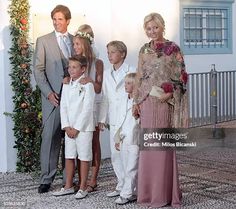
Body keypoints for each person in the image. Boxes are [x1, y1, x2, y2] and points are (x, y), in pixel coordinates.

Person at [133, 13, 188, 207]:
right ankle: (147, 194)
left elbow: (182, 76)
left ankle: (165, 194)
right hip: (147, 102)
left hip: (164, 102)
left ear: (162, 27)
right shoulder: (143, 50)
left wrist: (171, 93)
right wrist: (135, 102)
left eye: (155, 27)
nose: (152, 31)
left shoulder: (173, 49)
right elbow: (139, 76)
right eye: (148, 28)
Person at [33, 4, 74, 193]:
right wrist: (48, 93)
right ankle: (46, 179)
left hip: (73, 98)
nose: (56, 22)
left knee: (71, 138)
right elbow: (38, 70)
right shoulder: (43, 41)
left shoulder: (76, 41)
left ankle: (68, 178)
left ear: (67, 21)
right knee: (50, 137)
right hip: (54, 98)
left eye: (60, 19)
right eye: (54, 19)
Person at [66, 25, 104, 192]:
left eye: (78, 44)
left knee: (93, 143)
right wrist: (67, 79)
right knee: (79, 145)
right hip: (76, 109)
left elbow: (98, 88)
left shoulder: (97, 63)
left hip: (92, 106)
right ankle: (79, 180)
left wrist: (90, 80)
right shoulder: (74, 63)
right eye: (74, 44)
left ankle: (92, 180)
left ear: (87, 44)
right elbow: (71, 83)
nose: (75, 47)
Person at [52, 55, 95, 199]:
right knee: (69, 155)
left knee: (84, 156)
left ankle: (83, 187)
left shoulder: (88, 85)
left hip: (83, 128)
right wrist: (66, 126)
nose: (71, 70)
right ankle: (68, 185)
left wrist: (76, 127)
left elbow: (87, 108)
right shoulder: (66, 84)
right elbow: (63, 106)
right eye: (69, 67)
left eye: (74, 67)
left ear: (83, 69)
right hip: (69, 127)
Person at [98, 40, 136, 197]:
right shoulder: (107, 74)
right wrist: (102, 119)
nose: (110, 55)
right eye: (108, 52)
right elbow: (105, 98)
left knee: (128, 154)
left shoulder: (132, 70)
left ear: (123, 54)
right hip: (114, 118)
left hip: (128, 119)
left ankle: (130, 188)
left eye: (113, 52)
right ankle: (121, 184)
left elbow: (137, 94)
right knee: (115, 155)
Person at [113, 73, 139, 205]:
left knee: (132, 167)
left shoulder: (139, 102)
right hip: (124, 137)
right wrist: (117, 138)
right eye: (125, 83)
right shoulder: (124, 99)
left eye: (129, 83)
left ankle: (126, 194)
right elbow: (119, 119)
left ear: (135, 85)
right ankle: (133, 192)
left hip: (134, 139)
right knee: (124, 165)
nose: (125, 86)